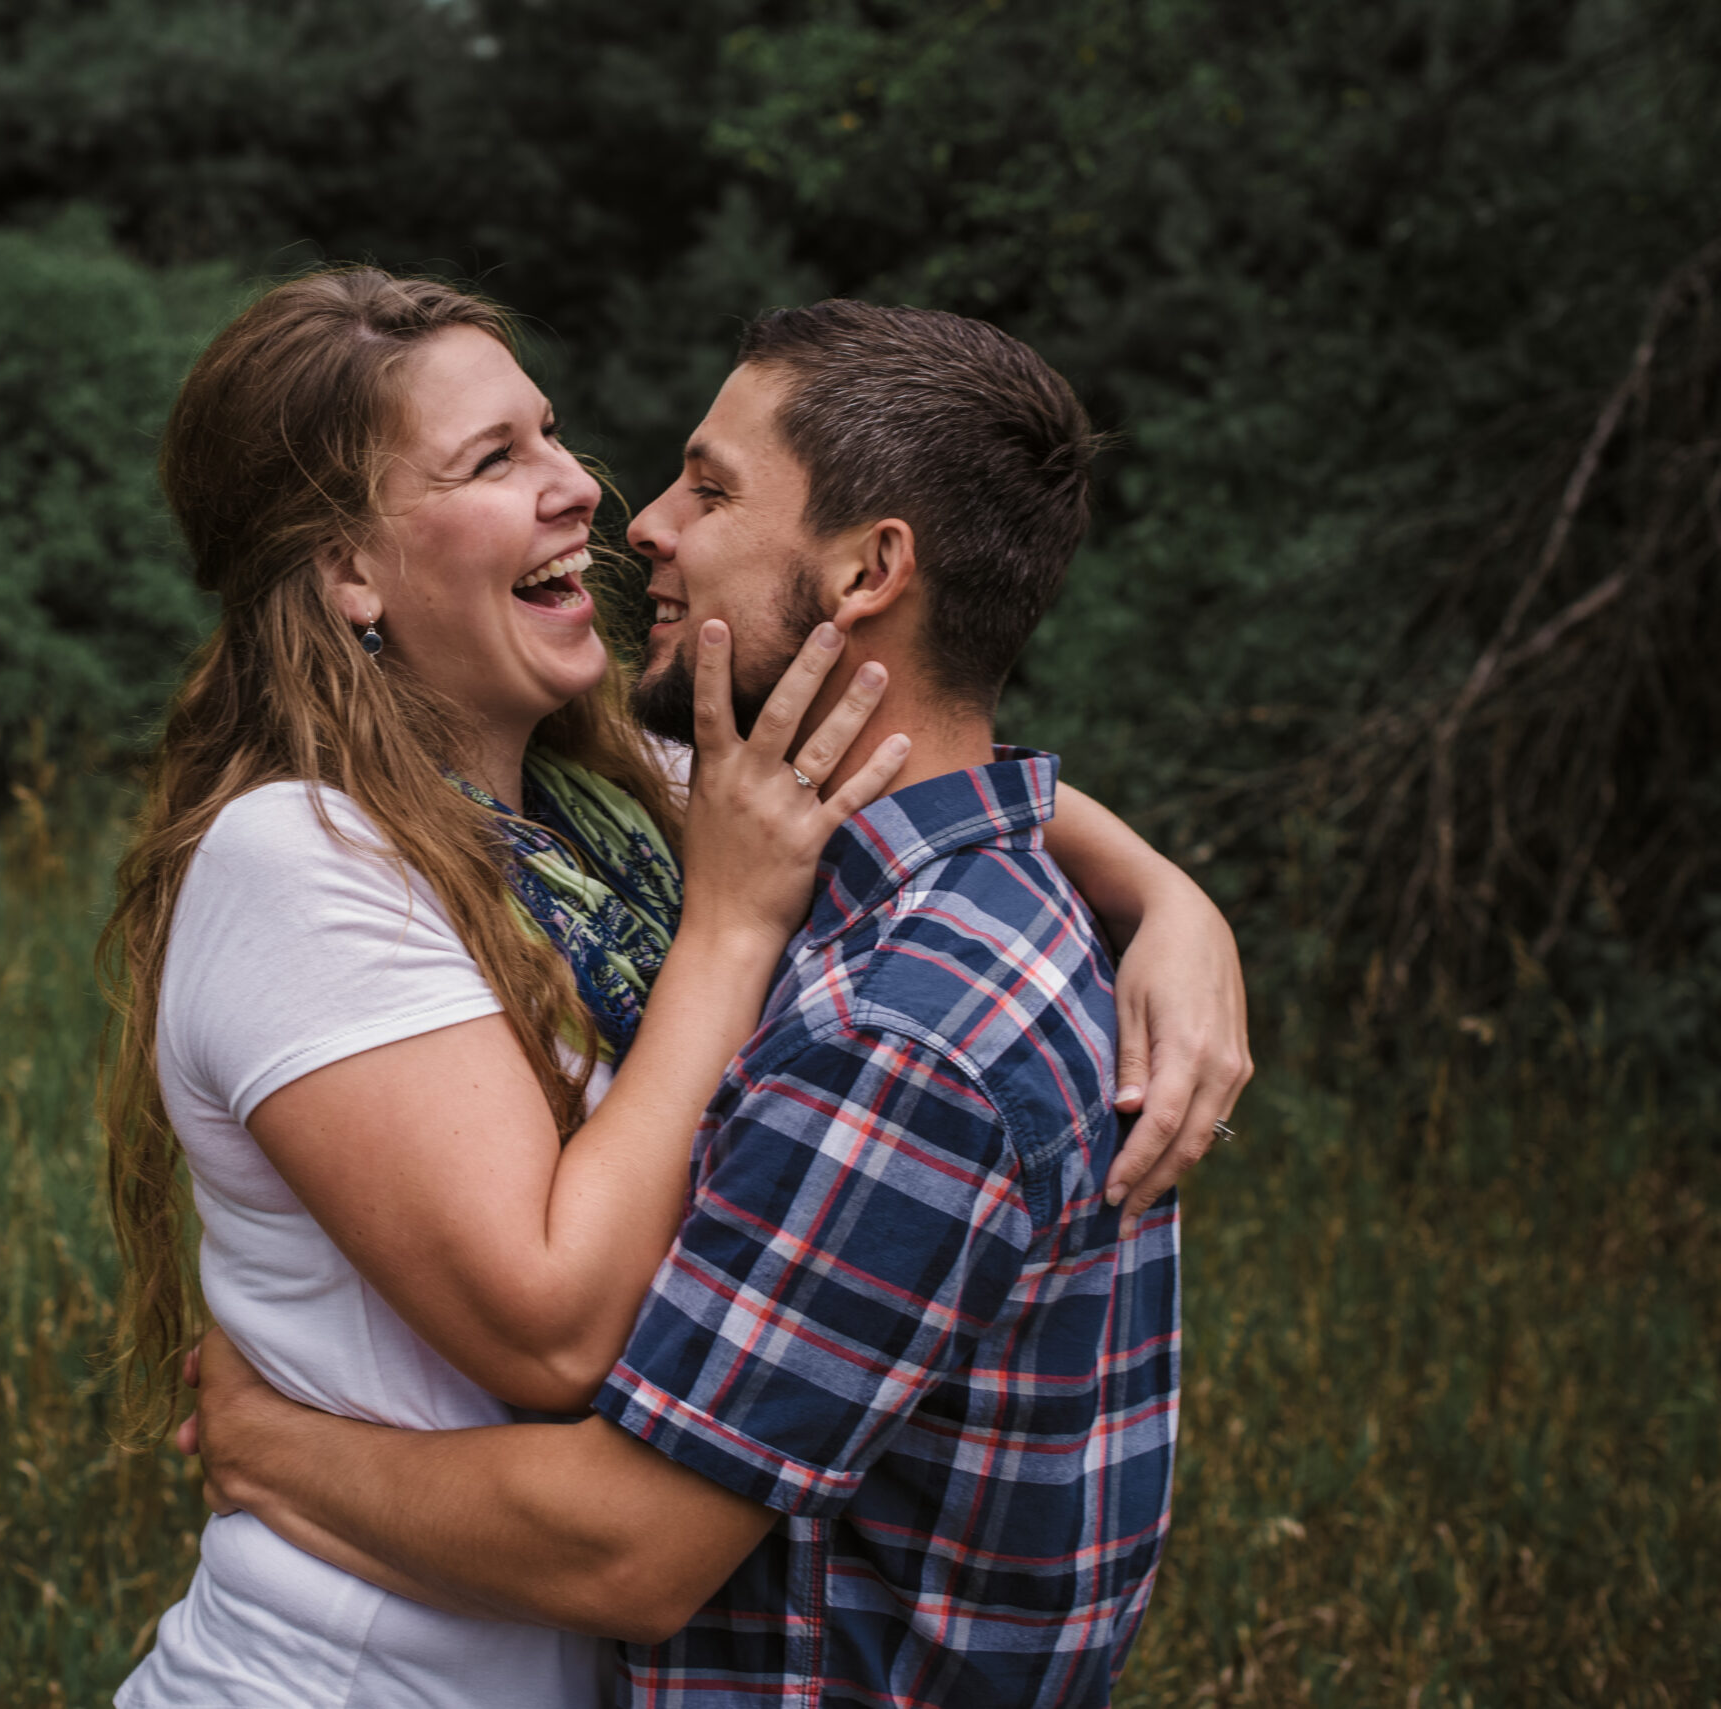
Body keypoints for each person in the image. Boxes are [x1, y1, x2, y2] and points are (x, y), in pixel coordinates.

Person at [107, 273, 1246, 1708]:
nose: (590, 489)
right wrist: (724, 929)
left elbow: (907, 767)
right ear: (348, 569)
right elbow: (552, 1326)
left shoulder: (606, 814)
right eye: (494, 459)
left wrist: (1173, 902)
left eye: (553, 433)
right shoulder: (311, 853)